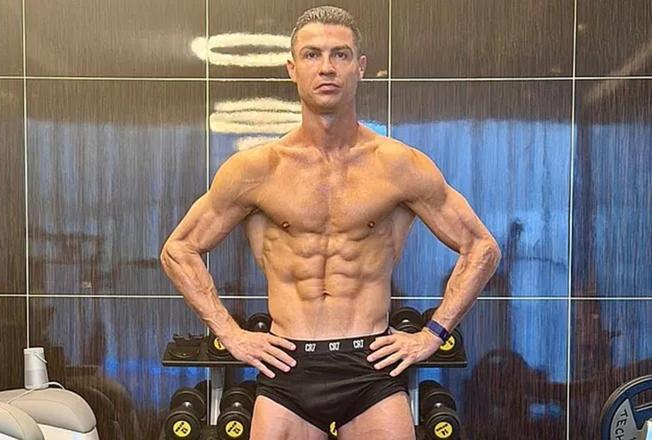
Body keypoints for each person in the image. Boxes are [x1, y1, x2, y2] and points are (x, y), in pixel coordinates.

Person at [160, 5, 501, 440]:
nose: (326, 67)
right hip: (288, 368)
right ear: (292, 68)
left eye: (340, 54)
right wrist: (230, 333)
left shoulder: (399, 166)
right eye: (312, 55)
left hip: (371, 368)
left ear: (360, 67)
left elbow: (482, 247)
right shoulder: (257, 169)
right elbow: (179, 250)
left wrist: (432, 334)